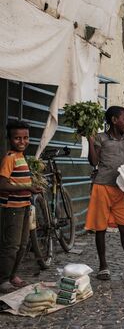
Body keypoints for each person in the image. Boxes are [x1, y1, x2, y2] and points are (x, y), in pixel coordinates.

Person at [85, 106, 124, 282]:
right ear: (114, 120)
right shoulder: (101, 138)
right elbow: (94, 161)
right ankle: (103, 267)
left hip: (119, 189)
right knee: (100, 228)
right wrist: (90, 141)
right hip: (101, 187)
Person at [0, 121, 43, 294]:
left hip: (25, 206)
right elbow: (2, 184)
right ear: (9, 139)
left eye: (25, 138)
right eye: (17, 138)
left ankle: (13, 275)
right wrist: (26, 188)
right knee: (11, 245)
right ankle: (3, 279)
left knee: (23, 244)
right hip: (12, 208)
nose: (22, 141)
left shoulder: (21, 157)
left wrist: (30, 187)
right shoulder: (9, 158)